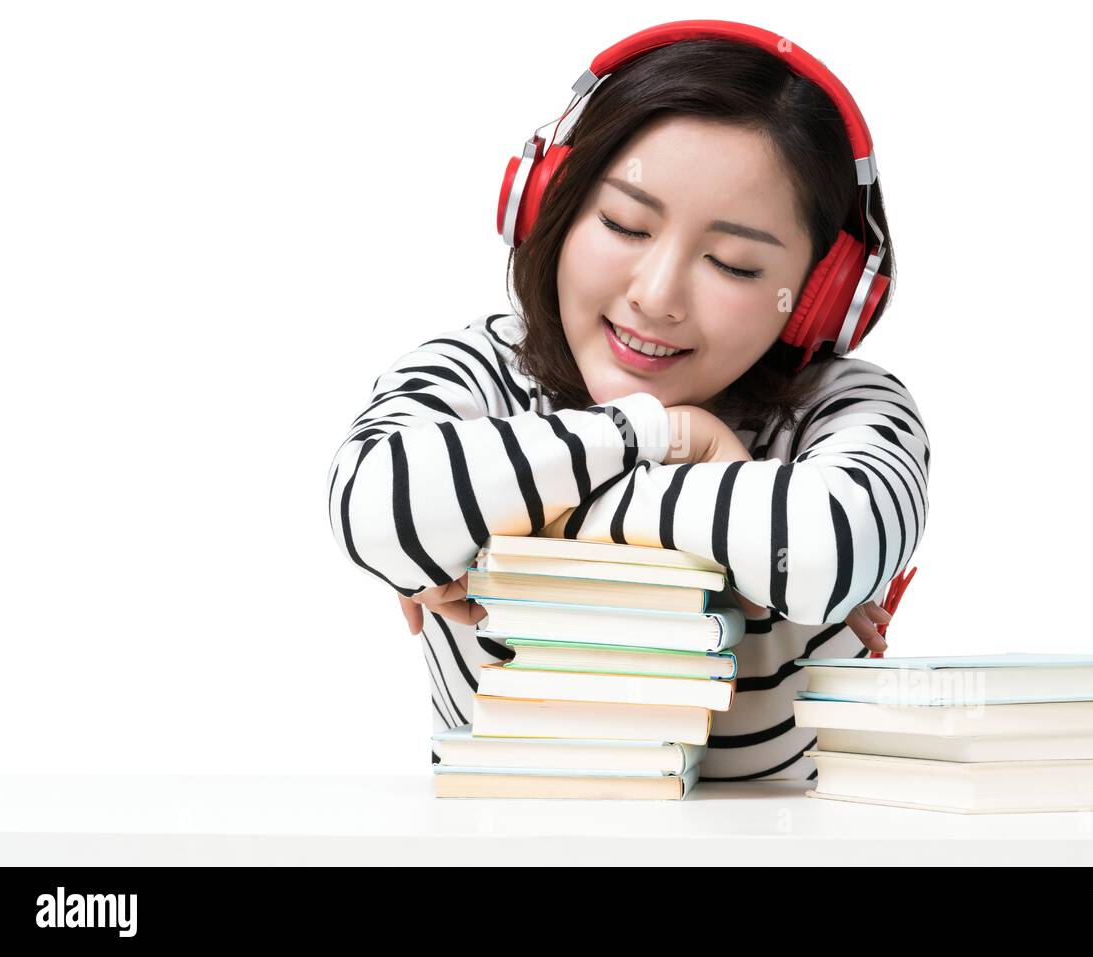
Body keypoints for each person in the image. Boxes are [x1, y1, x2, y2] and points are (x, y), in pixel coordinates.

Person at [327, 24, 929, 781]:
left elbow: (817, 551)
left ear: (818, 299)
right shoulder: (478, 370)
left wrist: (492, 523)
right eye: (624, 224)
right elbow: (375, 504)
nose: (656, 295)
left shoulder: (852, 410)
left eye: (734, 264)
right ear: (550, 205)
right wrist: (668, 437)